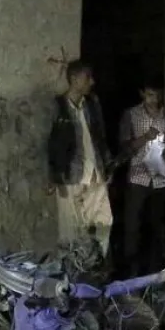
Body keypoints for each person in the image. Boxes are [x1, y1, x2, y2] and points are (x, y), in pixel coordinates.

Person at [46, 59, 113, 258]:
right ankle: (72, 276)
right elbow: (49, 142)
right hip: (70, 178)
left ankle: (94, 266)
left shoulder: (92, 105)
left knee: (104, 223)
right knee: (70, 233)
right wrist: (51, 175)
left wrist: (107, 166)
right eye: (87, 77)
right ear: (74, 79)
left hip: (95, 175)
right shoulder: (58, 107)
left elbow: (100, 136)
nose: (92, 82)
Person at [117, 80, 165, 276]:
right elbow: (124, 148)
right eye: (150, 94)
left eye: (158, 94)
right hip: (138, 179)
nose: (155, 99)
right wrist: (145, 137)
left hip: (161, 180)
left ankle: (155, 273)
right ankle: (131, 274)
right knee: (133, 228)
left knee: (158, 228)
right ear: (142, 93)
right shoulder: (131, 115)